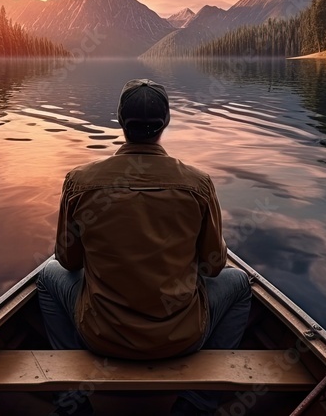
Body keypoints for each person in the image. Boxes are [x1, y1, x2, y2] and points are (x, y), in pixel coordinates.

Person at [37, 79, 252, 416]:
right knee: (239, 283)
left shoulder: (80, 181)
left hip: (100, 337)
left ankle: (72, 397)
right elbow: (213, 267)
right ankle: (199, 402)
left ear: (121, 122)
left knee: (46, 275)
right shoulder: (197, 183)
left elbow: (67, 260)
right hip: (182, 338)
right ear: (165, 123)